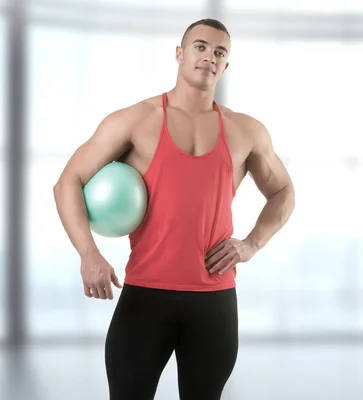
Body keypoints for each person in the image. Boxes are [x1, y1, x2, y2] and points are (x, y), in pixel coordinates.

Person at [52, 18, 295, 400]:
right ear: (179, 54)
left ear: (225, 66)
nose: (209, 57)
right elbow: (68, 181)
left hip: (214, 301)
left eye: (219, 52)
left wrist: (250, 244)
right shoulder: (135, 120)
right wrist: (88, 253)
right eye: (200, 47)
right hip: (145, 297)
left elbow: (283, 190)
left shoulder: (247, 131)